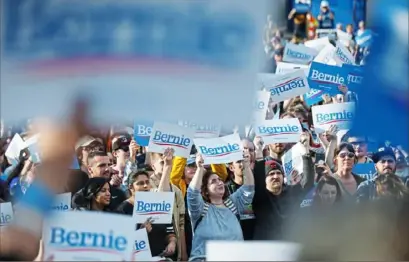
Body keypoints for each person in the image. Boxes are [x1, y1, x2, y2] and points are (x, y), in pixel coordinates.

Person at [187, 152, 254, 261]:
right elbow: (192, 193)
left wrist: (246, 165)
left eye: (220, 180)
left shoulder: (232, 204)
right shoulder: (200, 209)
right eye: (213, 181)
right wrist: (199, 168)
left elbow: (248, 189)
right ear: (206, 190)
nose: (219, 183)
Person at [252, 135, 314, 240]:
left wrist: (305, 151)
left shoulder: (291, 193)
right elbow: (258, 177)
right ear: (265, 179)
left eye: (278, 173)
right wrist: (258, 151)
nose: (275, 176)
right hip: (267, 250)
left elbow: (307, 183)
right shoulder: (260, 197)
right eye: (271, 174)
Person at [116, 171, 177, 260]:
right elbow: (121, 243)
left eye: (147, 182)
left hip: (161, 258)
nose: (145, 186)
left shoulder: (159, 204)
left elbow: (169, 231)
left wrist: (172, 242)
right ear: (131, 187)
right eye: (140, 183)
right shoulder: (122, 210)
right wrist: (141, 232)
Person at [149, 149, 188, 261]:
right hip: (155, 247)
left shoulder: (177, 190)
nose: (168, 162)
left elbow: (181, 224)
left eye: (171, 160)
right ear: (153, 166)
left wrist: (183, 253)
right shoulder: (147, 186)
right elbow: (161, 199)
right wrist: (167, 166)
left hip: (174, 247)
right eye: (162, 162)